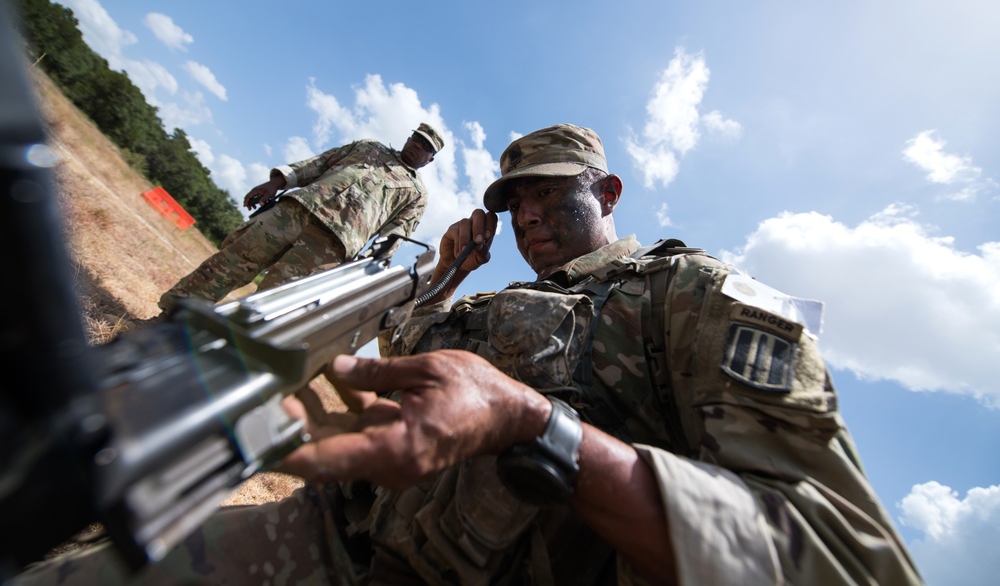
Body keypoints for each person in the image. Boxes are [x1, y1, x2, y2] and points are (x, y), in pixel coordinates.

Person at [15, 124, 923, 585]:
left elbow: (845, 558)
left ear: (605, 191)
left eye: (547, 196)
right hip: (334, 538)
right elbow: (405, 363)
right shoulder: (501, 297)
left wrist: (539, 428)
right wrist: (446, 276)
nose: (525, 215)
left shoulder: (684, 297)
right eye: (512, 201)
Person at [147, 123, 444, 318]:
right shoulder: (369, 147)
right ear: (408, 137)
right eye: (416, 138)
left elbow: (396, 234)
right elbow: (317, 165)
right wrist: (276, 182)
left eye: (426, 146)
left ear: (430, 159)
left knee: (270, 306)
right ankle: (163, 322)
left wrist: (366, 264)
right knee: (227, 265)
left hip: (330, 246)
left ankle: (210, 362)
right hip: (292, 212)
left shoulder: (416, 194)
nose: (418, 145)